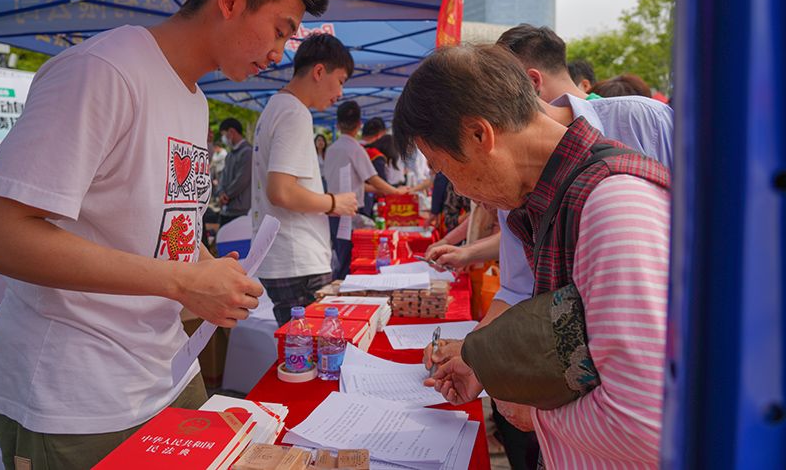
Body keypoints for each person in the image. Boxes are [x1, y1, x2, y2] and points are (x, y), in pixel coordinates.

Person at [0, 0, 328, 467]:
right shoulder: (103, 71)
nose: (280, 53)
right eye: (280, 30)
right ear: (232, 0)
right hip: (77, 397)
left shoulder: (193, 100)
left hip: (165, 373)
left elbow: (168, 232)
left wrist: (211, 272)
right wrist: (181, 281)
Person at [394, 44, 671, 468]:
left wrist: (533, 411)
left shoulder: (613, 206)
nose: (460, 191)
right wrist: (487, 368)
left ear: (479, 135)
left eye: (443, 167)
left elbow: (648, 425)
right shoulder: (555, 200)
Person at [251, 33, 358, 327]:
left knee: (301, 354)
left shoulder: (275, 107)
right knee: (310, 356)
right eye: (340, 80)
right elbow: (281, 191)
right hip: (298, 261)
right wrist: (335, 202)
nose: (339, 93)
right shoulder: (294, 112)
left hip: (286, 259)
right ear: (319, 71)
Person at [324, 101, 406, 279]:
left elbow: (357, 181)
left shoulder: (330, 149)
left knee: (340, 256)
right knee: (351, 260)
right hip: (350, 213)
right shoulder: (355, 149)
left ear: (337, 124)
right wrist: (396, 191)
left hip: (331, 211)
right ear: (359, 124)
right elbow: (374, 179)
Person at [216, 117, 253, 226]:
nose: (223, 138)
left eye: (224, 134)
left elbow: (242, 179)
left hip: (240, 210)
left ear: (231, 131)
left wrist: (226, 195)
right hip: (227, 209)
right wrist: (221, 192)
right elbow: (223, 176)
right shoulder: (230, 154)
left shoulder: (248, 152)